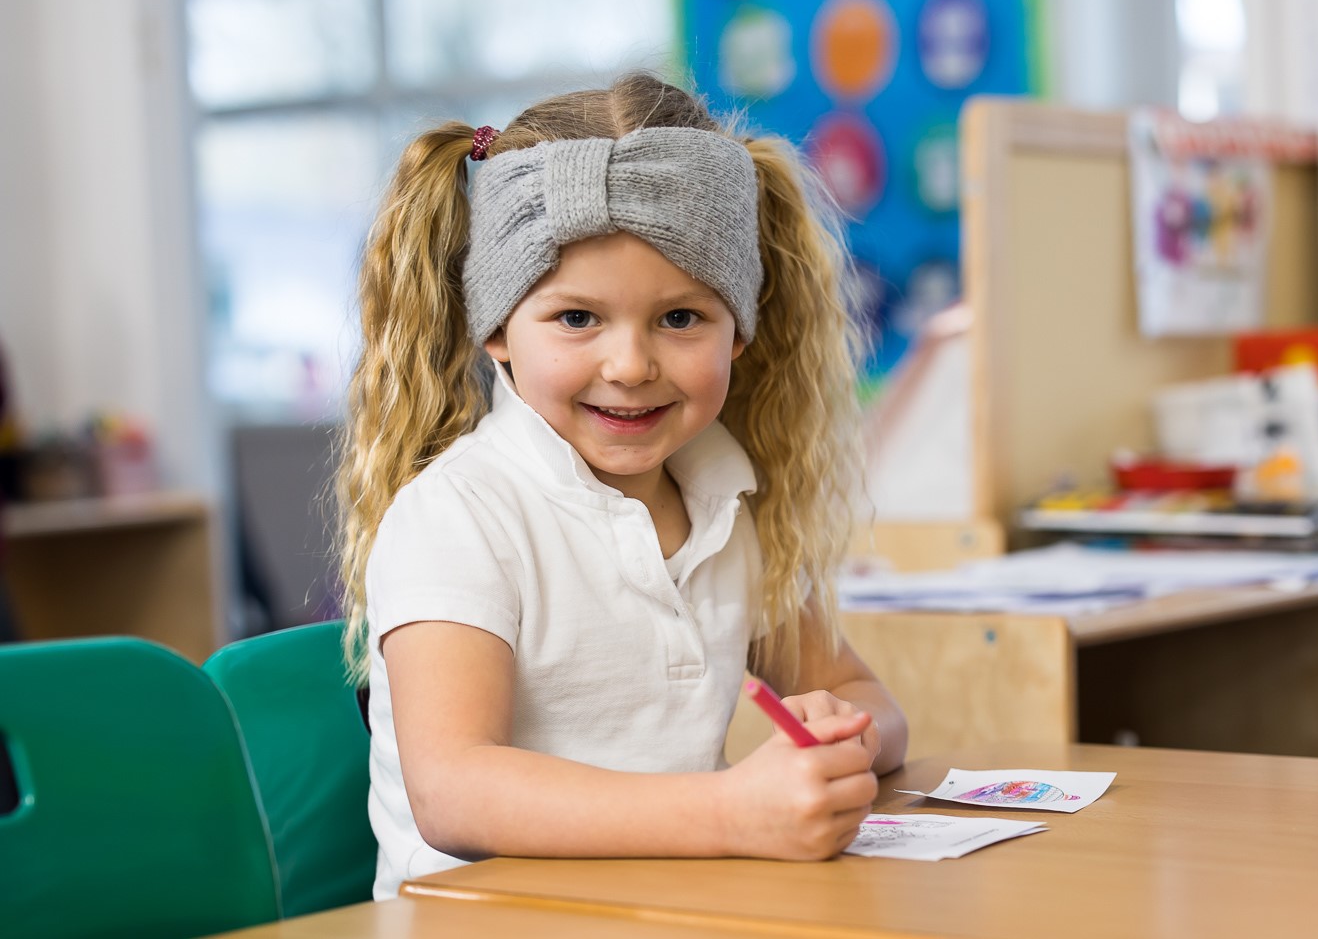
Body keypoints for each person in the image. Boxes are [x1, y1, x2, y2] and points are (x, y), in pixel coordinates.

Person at [335, 73, 907, 898]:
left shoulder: (728, 502)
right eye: (577, 318)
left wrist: (843, 738)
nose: (631, 364)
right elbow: (453, 791)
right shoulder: (458, 513)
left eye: (681, 318)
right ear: (497, 327)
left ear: (739, 328)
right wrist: (731, 811)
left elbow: (861, 693)